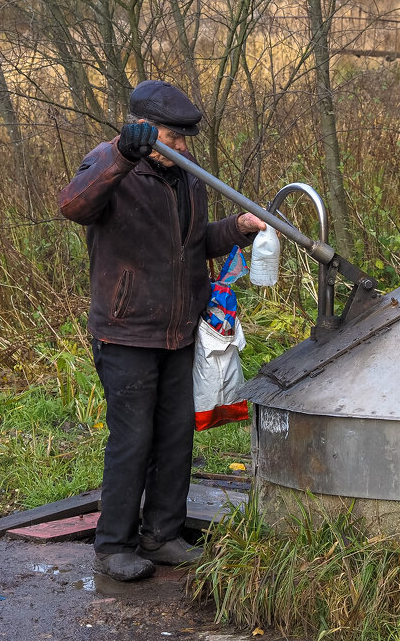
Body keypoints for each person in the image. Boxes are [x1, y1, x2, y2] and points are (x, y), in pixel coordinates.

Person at [58, 80, 266, 582]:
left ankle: (163, 535)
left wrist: (238, 227)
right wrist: (122, 160)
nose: (185, 148)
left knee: (175, 435)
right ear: (147, 132)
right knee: (133, 438)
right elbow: (74, 206)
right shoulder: (109, 164)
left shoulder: (186, 179)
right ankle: (114, 547)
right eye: (175, 138)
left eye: (187, 138)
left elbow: (195, 244)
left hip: (178, 332)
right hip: (126, 332)